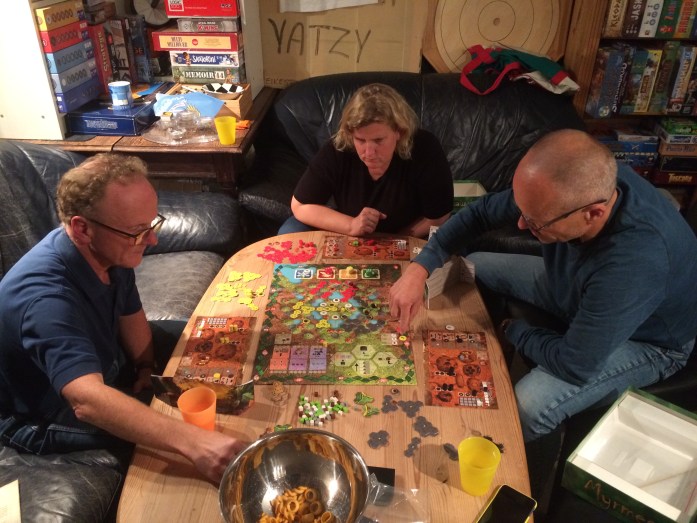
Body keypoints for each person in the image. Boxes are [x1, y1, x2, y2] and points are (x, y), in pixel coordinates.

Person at [389, 129, 697, 443]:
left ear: (593, 214)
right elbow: (479, 215)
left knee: (526, 407)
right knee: (478, 263)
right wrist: (419, 268)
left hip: (650, 340)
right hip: (578, 286)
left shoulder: (634, 262)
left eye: (535, 223)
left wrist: (512, 330)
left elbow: (574, 365)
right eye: (523, 212)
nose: (521, 224)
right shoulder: (568, 189)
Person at [0, 154, 247, 483]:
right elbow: (87, 401)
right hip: (42, 413)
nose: (152, 240)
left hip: (106, 362)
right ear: (82, 228)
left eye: (151, 225)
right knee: (184, 434)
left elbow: (130, 313)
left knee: (224, 346)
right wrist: (196, 443)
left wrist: (145, 367)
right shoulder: (45, 301)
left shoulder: (109, 250)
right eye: (138, 231)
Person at [278, 83, 454, 238]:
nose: (369, 153)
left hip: (408, 234)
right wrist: (351, 225)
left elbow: (439, 217)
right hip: (350, 233)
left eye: (378, 140)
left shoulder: (425, 147)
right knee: (291, 229)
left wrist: (396, 241)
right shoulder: (340, 147)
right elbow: (300, 205)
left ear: (399, 132)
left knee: (452, 237)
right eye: (360, 140)